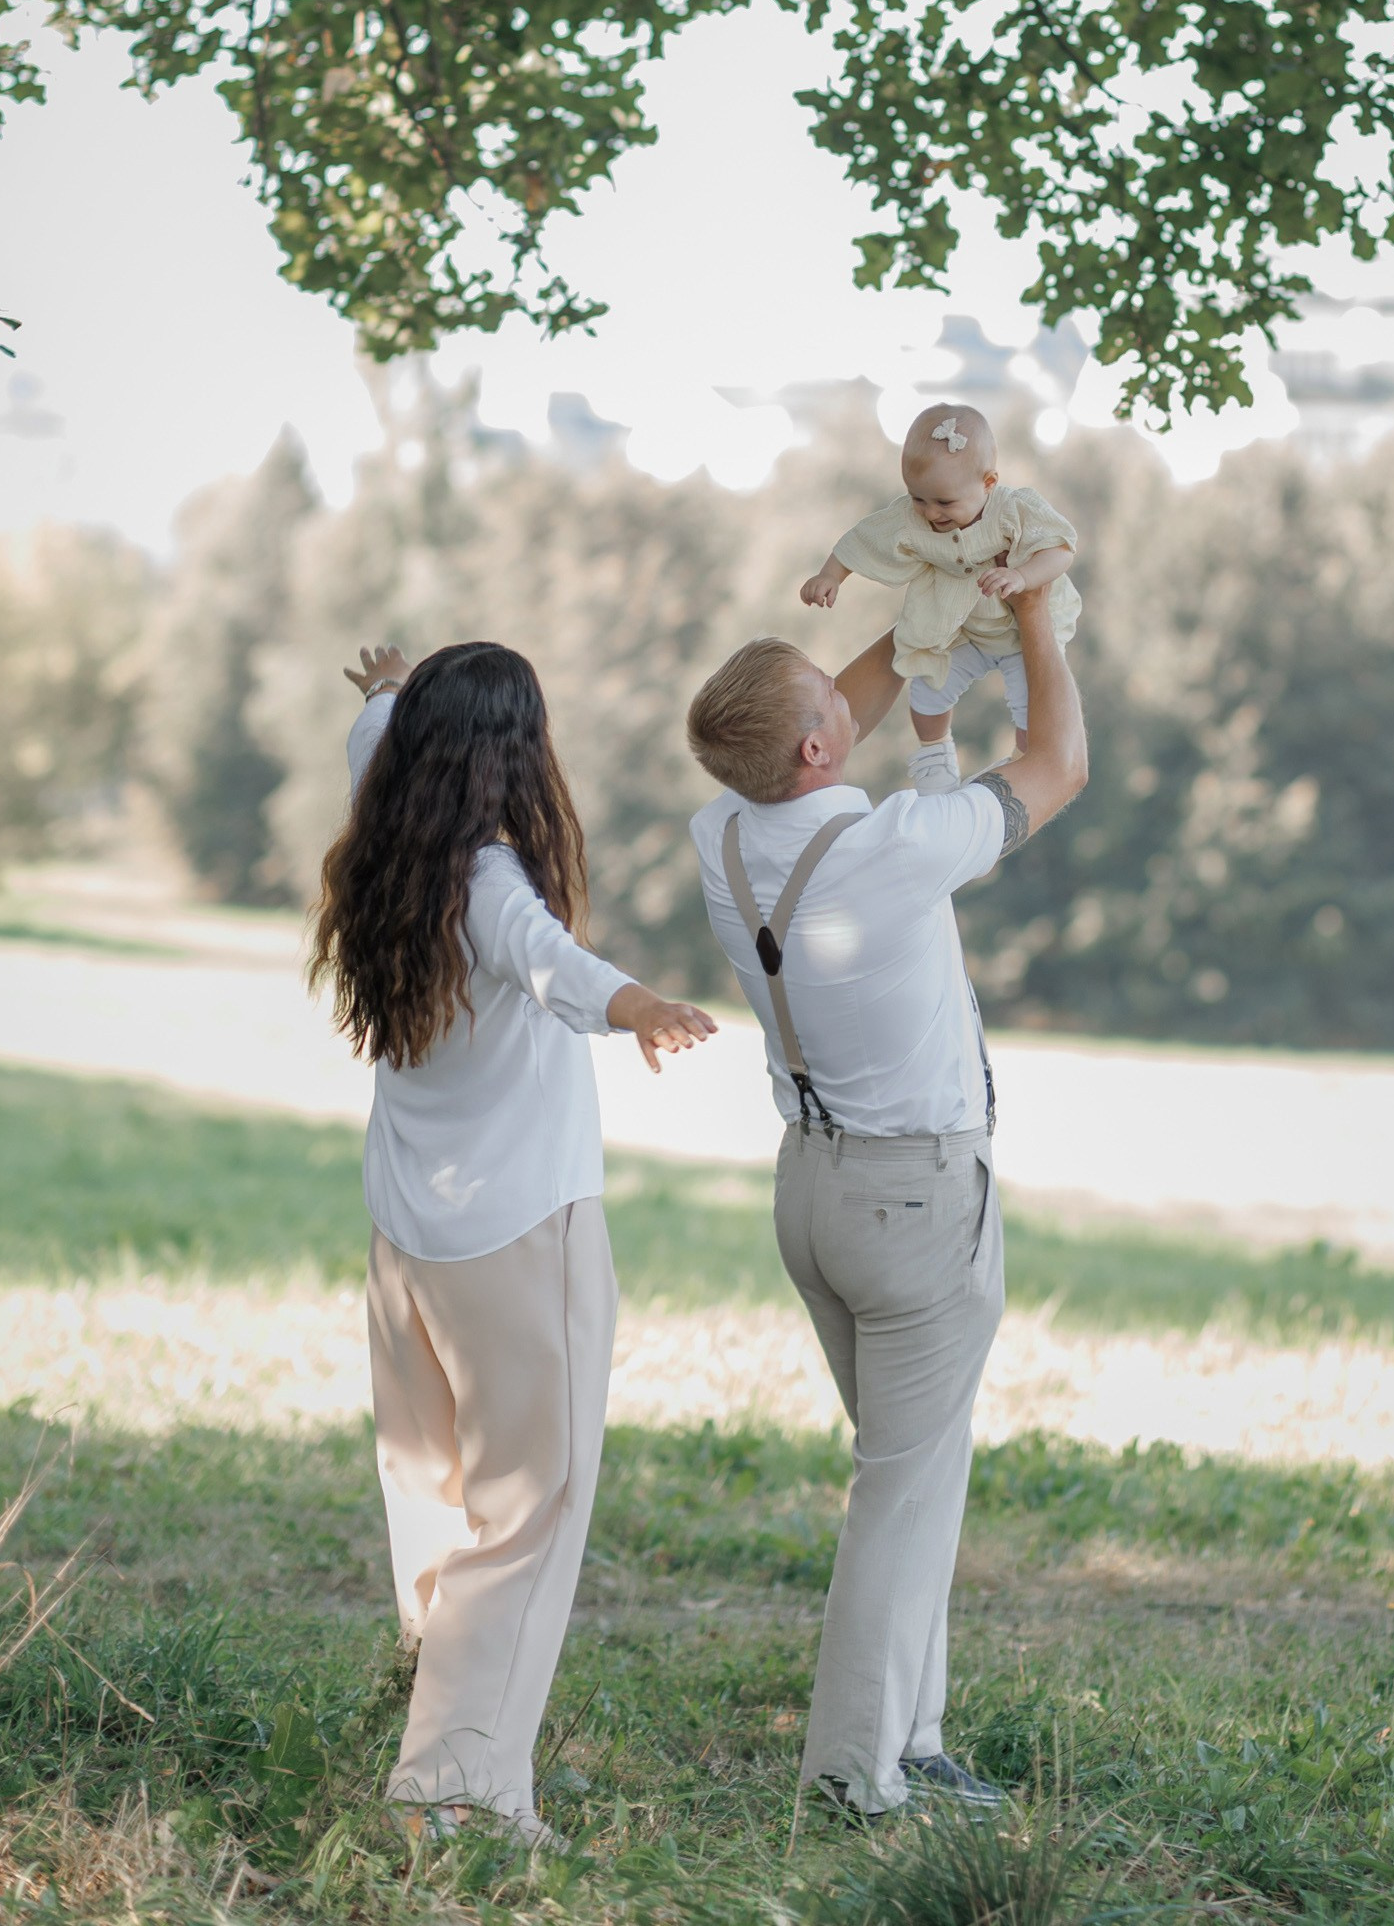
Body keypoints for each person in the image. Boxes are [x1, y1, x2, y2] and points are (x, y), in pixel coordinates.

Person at [683, 584, 1088, 1820]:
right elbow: (1060, 765)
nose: (847, 696)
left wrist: (931, 618)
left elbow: (820, 723)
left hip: (812, 1193)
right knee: (898, 1495)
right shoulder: (894, 849)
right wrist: (1031, 620)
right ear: (817, 749)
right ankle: (853, 1773)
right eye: (827, 698)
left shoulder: (722, 830)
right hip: (913, 1204)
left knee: (920, 1477)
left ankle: (915, 1740)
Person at [314, 638, 717, 1848]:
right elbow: (554, 966)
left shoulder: (385, 836)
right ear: (516, 758)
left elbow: (374, 734)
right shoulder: (488, 880)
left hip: (408, 1238)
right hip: (518, 1234)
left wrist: (388, 691)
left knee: (435, 1489)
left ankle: (439, 1703)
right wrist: (642, 1006)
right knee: (532, 1510)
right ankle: (458, 1790)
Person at [798, 403, 1080, 791]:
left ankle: (1021, 766)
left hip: (1022, 637)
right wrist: (830, 575)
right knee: (927, 690)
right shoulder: (911, 517)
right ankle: (935, 754)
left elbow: (1060, 548)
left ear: (988, 483)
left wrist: (1021, 575)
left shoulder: (1015, 509)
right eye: (918, 498)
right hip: (963, 630)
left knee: (1032, 710)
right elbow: (865, 538)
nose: (930, 513)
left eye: (944, 502)